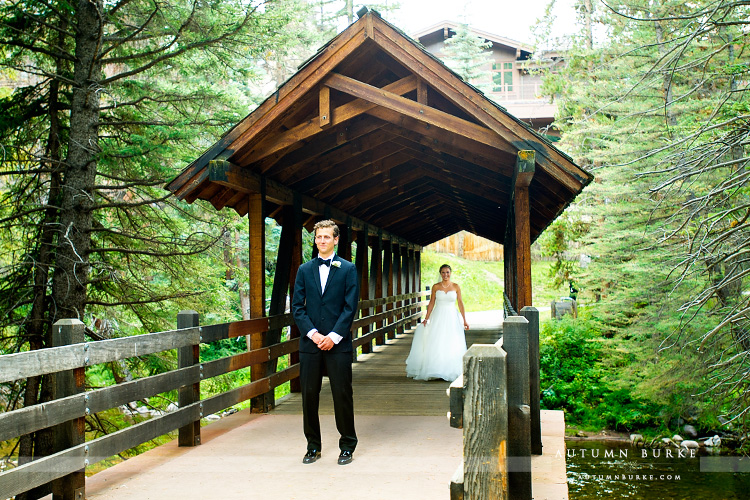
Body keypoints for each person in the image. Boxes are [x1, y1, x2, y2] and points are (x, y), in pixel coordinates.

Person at [291, 220, 359, 466]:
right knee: (309, 395)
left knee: (342, 393)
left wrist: (333, 337)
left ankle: (347, 445)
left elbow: (350, 307)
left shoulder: (348, 269)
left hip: (338, 344)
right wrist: (313, 334)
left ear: (336, 239)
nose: (322, 241)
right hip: (310, 345)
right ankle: (312, 446)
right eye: (318, 237)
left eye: (326, 237)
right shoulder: (304, 270)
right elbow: (297, 307)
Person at [405, 264, 469, 382]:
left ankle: (450, 369)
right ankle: (435, 369)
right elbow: (431, 303)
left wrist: (464, 320)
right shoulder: (436, 287)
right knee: (437, 340)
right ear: (440, 273)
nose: (446, 275)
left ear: (451, 273)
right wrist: (426, 318)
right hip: (438, 315)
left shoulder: (456, 287)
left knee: (452, 340)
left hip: (451, 317)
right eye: (443, 272)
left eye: (448, 272)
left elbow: (460, 303)